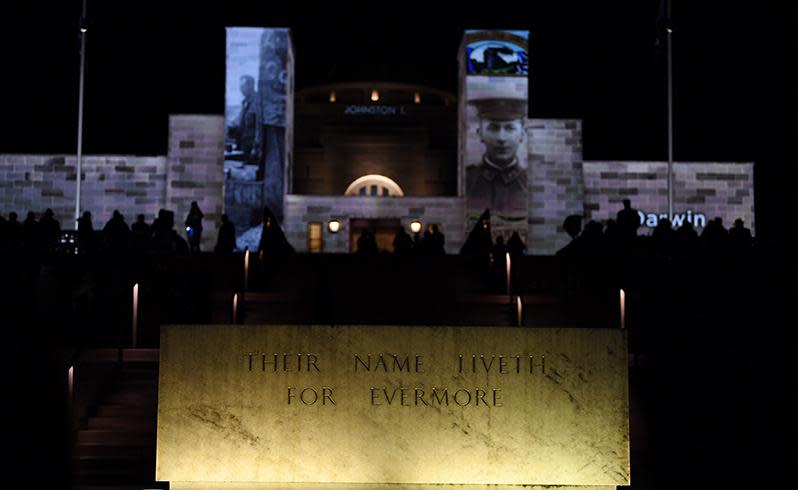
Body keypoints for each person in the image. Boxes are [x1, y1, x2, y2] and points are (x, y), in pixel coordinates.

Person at [465, 98, 528, 218]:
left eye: (510, 128)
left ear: (522, 134)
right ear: (480, 133)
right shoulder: (466, 181)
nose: (502, 138)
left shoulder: (530, 183)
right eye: (493, 128)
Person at [227, 75, 261, 163]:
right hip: (243, 145)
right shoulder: (245, 102)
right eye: (240, 87)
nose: (241, 89)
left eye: (243, 86)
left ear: (251, 86)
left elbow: (259, 128)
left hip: (252, 148)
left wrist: (256, 148)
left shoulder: (257, 101)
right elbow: (240, 121)